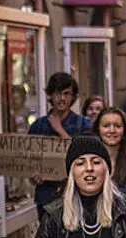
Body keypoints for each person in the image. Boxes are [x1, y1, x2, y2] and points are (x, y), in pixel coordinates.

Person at [29, 72, 93, 218]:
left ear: (73, 97)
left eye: (66, 94)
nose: (62, 98)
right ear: (50, 95)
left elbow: (86, 154)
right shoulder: (37, 126)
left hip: (77, 193)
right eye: (58, 93)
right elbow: (30, 161)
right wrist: (33, 177)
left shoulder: (84, 124)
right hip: (46, 196)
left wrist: (60, 130)